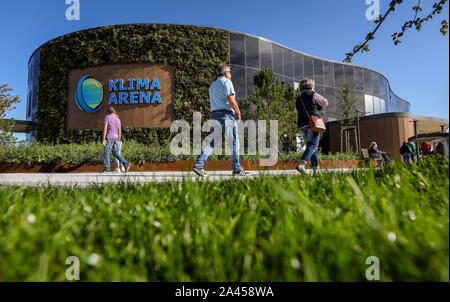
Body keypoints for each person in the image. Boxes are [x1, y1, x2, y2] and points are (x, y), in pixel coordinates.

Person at [192, 63, 249, 177]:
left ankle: (199, 165)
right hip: (226, 115)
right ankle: (237, 169)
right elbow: (230, 98)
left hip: (214, 115)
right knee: (233, 142)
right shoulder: (226, 82)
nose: (231, 74)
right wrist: (238, 112)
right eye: (230, 72)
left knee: (213, 142)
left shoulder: (212, 85)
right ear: (226, 73)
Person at [294, 78, 328, 174]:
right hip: (313, 123)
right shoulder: (314, 94)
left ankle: (316, 169)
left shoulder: (298, 98)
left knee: (312, 147)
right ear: (311, 86)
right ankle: (302, 164)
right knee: (313, 145)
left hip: (302, 125)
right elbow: (325, 103)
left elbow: (297, 111)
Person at [102, 106, 130, 173]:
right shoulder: (118, 119)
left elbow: (105, 129)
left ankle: (107, 169)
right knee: (115, 153)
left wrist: (103, 139)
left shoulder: (107, 117)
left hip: (109, 137)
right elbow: (119, 131)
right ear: (114, 112)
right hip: (116, 137)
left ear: (109, 112)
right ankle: (126, 163)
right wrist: (118, 140)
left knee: (106, 153)